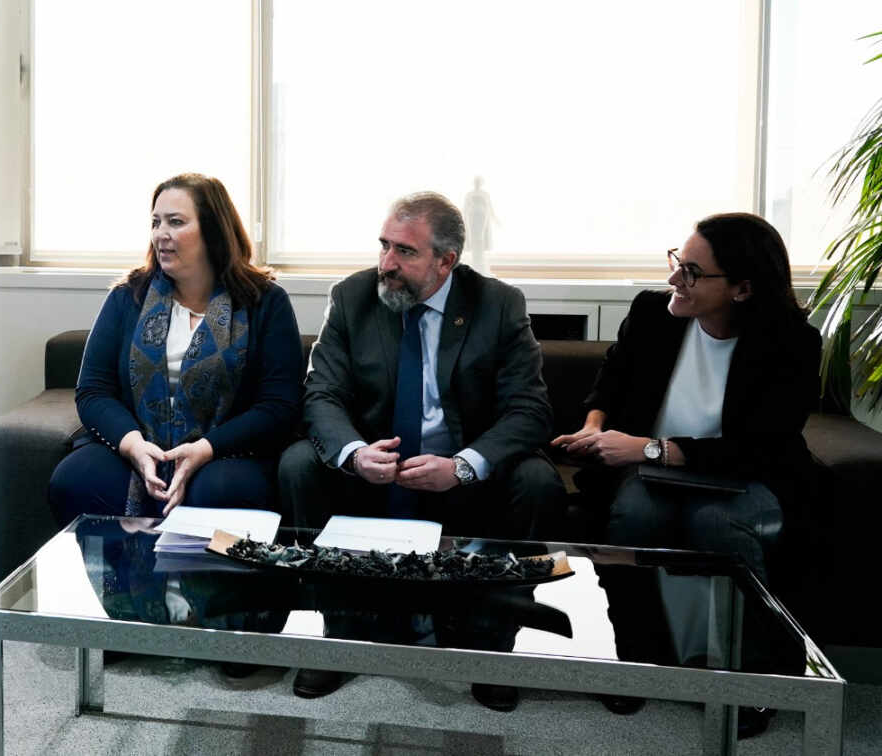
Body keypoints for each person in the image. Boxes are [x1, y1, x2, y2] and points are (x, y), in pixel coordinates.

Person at [279, 191, 565, 708]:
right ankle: (340, 635)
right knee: (300, 462)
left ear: (445, 261)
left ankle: (491, 648)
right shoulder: (353, 297)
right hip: (374, 471)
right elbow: (321, 393)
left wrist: (463, 466)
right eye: (384, 246)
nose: (386, 263)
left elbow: (529, 409)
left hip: (459, 473)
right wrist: (354, 454)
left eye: (405, 252)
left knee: (537, 481)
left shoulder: (497, 304)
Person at [552, 212, 820, 737]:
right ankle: (635, 659)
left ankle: (752, 679)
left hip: (746, 477)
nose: (675, 278)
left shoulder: (792, 342)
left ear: (742, 288)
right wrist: (594, 427)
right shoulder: (653, 313)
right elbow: (609, 384)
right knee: (632, 514)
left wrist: (649, 450)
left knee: (717, 523)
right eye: (677, 260)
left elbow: (758, 447)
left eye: (693, 272)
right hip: (652, 474)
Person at [48, 173, 302, 524]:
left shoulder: (266, 302)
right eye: (156, 222)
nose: (161, 234)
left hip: (225, 452)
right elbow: (93, 391)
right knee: (76, 479)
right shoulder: (128, 297)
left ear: (213, 230)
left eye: (176, 222)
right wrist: (134, 445)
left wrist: (204, 449)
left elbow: (279, 406)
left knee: (220, 492)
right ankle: (128, 580)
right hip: (136, 445)